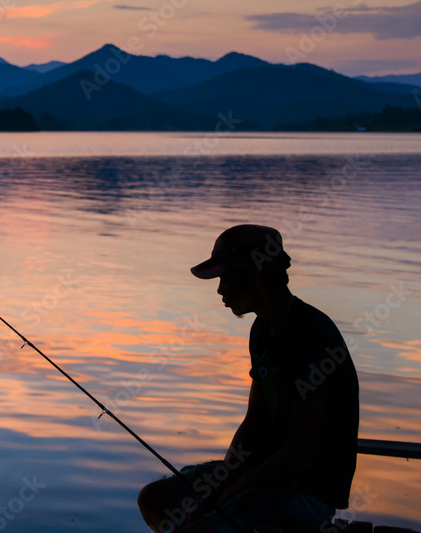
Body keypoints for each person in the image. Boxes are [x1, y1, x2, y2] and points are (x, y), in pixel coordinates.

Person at [137, 224, 359, 533]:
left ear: (255, 278)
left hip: (307, 494)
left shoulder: (312, 338)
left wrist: (230, 493)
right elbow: (254, 423)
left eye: (226, 278)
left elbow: (296, 456)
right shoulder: (262, 330)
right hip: (260, 474)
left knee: (202, 524)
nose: (220, 290)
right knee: (155, 498)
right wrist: (220, 483)